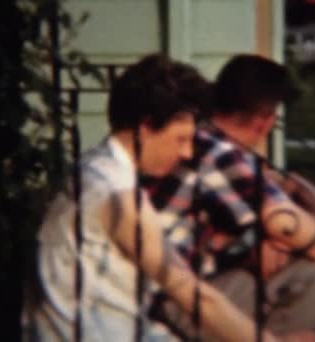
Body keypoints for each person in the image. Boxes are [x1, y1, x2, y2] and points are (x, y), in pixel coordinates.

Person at [21, 54, 280, 342]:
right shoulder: (118, 196)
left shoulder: (94, 169)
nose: (187, 153)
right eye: (180, 139)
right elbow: (196, 298)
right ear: (146, 127)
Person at [143, 54, 315, 341]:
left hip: (162, 285)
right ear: (265, 120)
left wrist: (253, 246)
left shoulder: (192, 137)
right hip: (169, 301)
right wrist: (310, 195)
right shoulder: (221, 155)